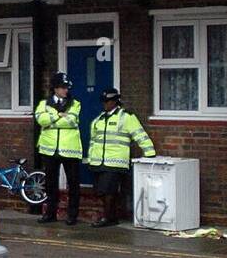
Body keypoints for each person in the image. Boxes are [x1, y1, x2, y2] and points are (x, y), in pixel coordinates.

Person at [87, 87, 156, 227]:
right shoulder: (99, 119)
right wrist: (90, 159)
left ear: (115, 102)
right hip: (98, 161)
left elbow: (140, 134)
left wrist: (150, 153)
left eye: (108, 101)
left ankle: (108, 218)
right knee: (101, 191)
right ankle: (112, 217)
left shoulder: (126, 117)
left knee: (108, 191)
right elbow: (93, 141)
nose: (105, 104)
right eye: (104, 101)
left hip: (115, 162)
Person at [34, 71, 83, 225]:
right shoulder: (44, 103)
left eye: (67, 87)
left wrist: (52, 120)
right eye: (62, 87)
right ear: (55, 88)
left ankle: (72, 215)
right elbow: (41, 120)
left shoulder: (75, 103)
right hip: (49, 149)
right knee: (50, 184)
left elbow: (72, 121)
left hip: (70, 148)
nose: (65, 90)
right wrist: (58, 116)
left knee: (73, 183)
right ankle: (50, 214)